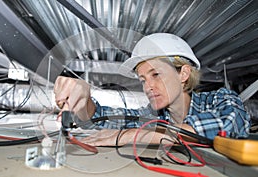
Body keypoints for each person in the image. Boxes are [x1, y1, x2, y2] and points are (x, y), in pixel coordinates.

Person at [54, 33, 251, 146]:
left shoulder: (219, 99)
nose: (148, 86)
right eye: (143, 79)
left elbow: (231, 123)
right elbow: (100, 118)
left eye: (156, 75)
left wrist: (136, 135)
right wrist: (83, 99)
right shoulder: (152, 115)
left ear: (183, 74)